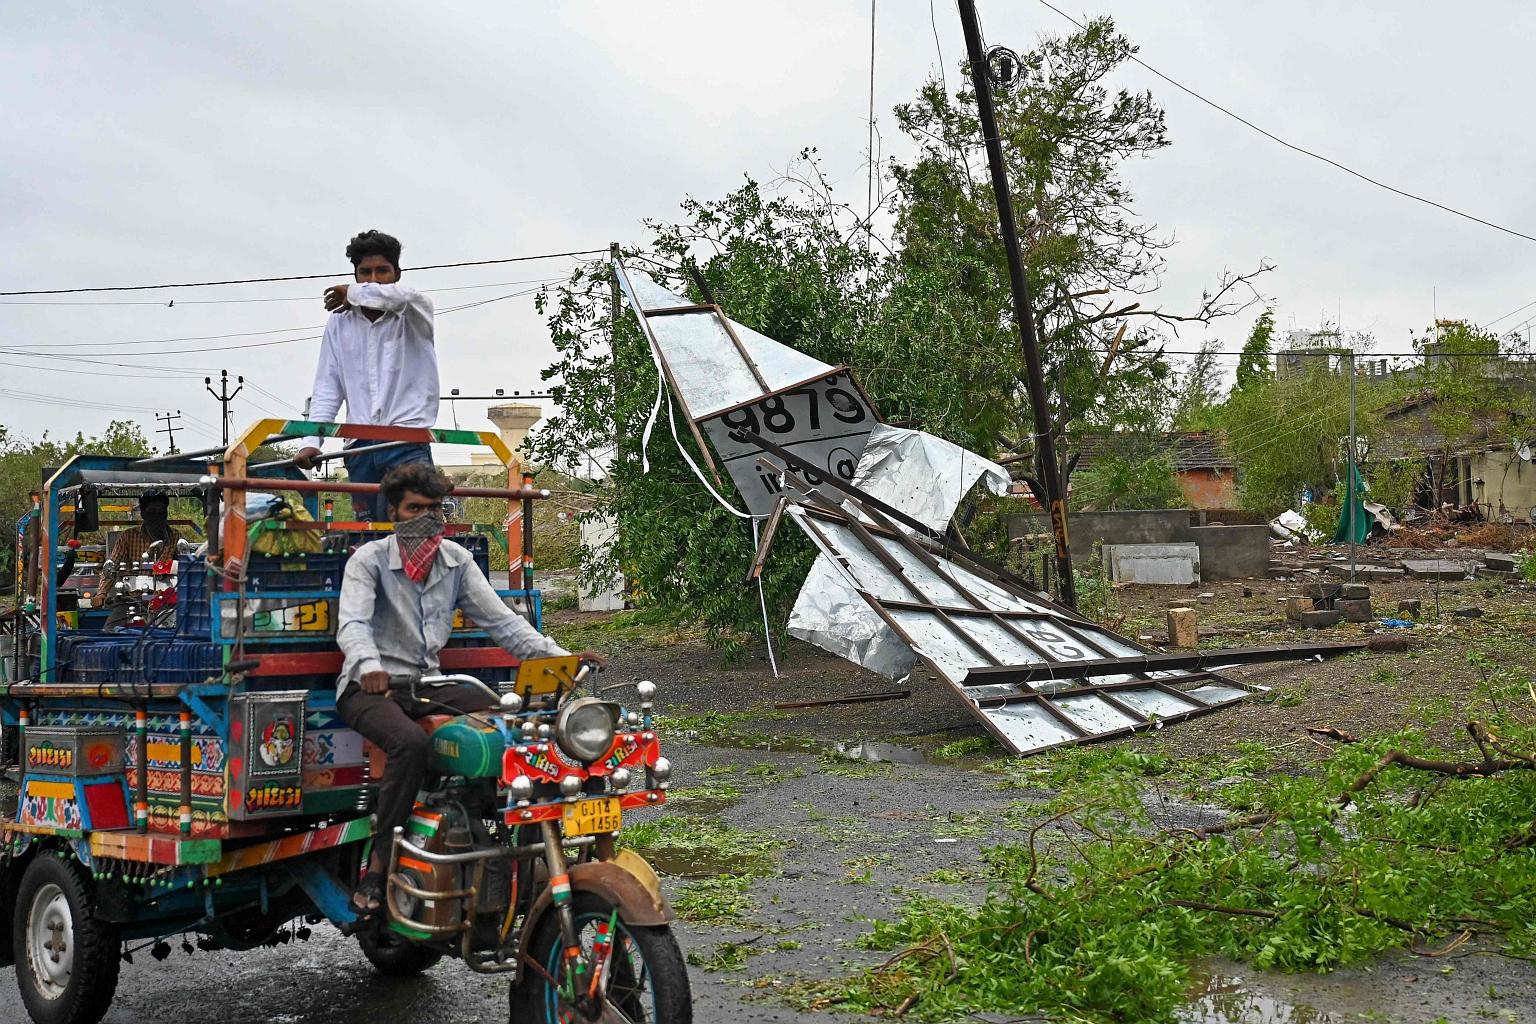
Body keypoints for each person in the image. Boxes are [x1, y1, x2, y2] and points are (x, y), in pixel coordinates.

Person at [334, 462, 604, 914]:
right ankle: (380, 867)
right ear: (395, 513)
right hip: (370, 688)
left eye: (435, 508)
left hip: (429, 683)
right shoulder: (370, 560)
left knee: (514, 727)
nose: (428, 517)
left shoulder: (456, 561)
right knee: (409, 744)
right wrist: (368, 665)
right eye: (415, 508)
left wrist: (561, 658)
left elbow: (503, 623)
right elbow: (354, 624)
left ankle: (507, 840)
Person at [296, 229, 439, 520]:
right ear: (356, 275)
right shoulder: (339, 323)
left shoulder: (414, 311)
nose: (373, 279)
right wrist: (311, 441)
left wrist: (353, 293)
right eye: (365, 272)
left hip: (406, 442)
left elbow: (403, 298)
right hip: (359, 447)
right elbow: (328, 386)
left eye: (382, 271)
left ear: (397, 274)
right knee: (368, 537)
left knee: (415, 532)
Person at [90, 492, 183, 608]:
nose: (157, 517)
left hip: (166, 601)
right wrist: (101, 594)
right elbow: (112, 566)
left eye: (162, 512)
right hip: (133, 601)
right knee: (112, 625)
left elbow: (185, 567)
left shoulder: (176, 537)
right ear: (143, 514)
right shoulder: (128, 537)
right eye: (152, 512)